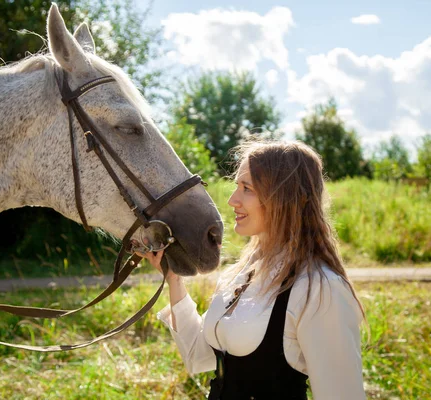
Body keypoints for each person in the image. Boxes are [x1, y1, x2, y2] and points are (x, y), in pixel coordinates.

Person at [138, 140, 367, 399]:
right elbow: (199, 357)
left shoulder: (319, 288)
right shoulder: (239, 274)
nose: (232, 199)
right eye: (237, 186)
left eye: (247, 189)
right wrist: (173, 279)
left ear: (284, 197)